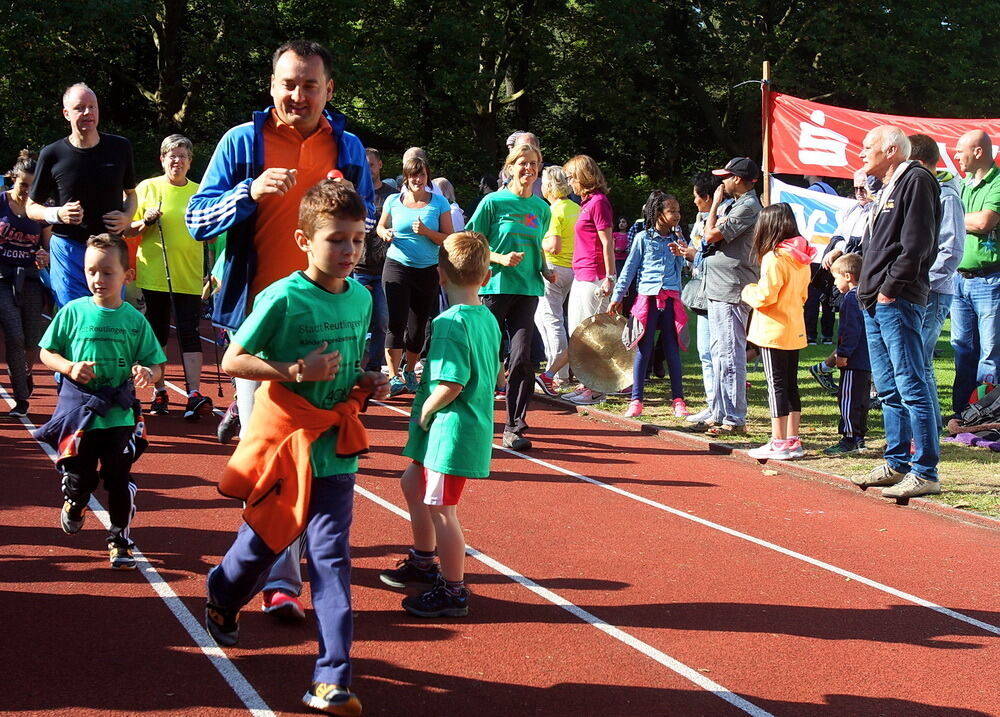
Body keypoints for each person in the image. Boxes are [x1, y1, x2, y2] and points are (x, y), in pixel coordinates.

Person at [186, 39, 375, 619]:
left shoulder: (347, 147)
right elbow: (197, 219)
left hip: (329, 324)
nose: (297, 95)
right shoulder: (242, 143)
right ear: (272, 85)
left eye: (309, 84)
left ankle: (274, 574)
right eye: (288, 83)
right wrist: (247, 192)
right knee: (273, 461)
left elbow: (364, 231)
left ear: (329, 90)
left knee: (319, 462)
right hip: (261, 327)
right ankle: (283, 581)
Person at [204, 181, 388, 716]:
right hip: (286, 447)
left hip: (334, 449)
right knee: (261, 549)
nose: (350, 251)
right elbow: (233, 361)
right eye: (337, 240)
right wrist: (292, 370)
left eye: (357, 240)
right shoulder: (282, 297)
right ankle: (221, 595)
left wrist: (370, 382)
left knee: (332, 559)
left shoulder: (361, 295)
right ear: (304, 240)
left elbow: (353, 366)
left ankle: (332, 679)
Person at [378, 231, 501, 618]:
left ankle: (453, 589)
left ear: (440, 275)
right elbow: (497, 372)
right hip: (452, 425)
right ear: (484, 277)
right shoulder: (488, 318)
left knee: (441, 507)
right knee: (412, 483)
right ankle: (423, 559)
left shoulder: (450, 322)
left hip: (450, 426)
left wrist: (426, 411)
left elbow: (452, 382)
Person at [35, 234, 166, 569]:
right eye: (91, 271)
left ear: (128, 275)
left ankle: (119, 539)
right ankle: (75, 502)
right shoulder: (72, 313)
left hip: (119, 415)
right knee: (82, 479)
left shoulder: (135, 321)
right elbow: (46, 352)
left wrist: (147, 374)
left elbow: (156, 364)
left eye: (107, 272)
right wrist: (69, 367)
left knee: (118, 478)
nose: (98, 279)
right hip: (80, 414)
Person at [850, 126, 942, 500]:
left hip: (896, 300)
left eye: (867, 147)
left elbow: (918, 243)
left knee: (910, 385)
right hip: (875, 300)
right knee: (888, 388)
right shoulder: (887, 188)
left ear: (891, 150)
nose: (861, 154)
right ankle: (896, 462)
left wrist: (889, 289)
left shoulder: (916, 179)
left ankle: (926, 472)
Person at [467, 143, 551, 450]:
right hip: (493, 288)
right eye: (522, 163)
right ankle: (473, 418)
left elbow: (537, 245)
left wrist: (545, 269)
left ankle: (515, 427)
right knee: (485, 356)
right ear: (510, 167)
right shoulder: (493, 202)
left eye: (533, 164)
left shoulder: (542, 208)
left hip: (527, 290)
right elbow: (471, 241)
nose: (528, 169)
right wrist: (500, 259)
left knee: (521, 357)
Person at [124, 134, 214, 420]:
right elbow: (126, 230)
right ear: (162, 159)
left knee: (190, 333)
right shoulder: (147, 188)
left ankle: (194, 393)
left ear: (190, 162)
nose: (177, 161)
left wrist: (213, 274)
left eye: (183, 156)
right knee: (157, 333)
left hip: (188, 276)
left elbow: (214, 236)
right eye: (171, 156)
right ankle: (159, 391)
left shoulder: (201, 192)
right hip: (154, 274)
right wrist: (145, 221)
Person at [26, 83, 136, 308]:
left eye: (92, 107)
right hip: (68, 249)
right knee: (73, 316)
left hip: (110, 248)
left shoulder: (120, 147)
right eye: (80, 108)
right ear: (66, 113)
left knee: (109, 315)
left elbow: (131, 195)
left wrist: (127, 217)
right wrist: (58, 213)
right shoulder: (52, 154)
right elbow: (31, 207)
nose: (88, 113)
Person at [740, 203, 814, 460]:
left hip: (773, 329)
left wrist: (747, 291)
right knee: (790, 384)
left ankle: (778, 441)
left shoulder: (775, 257)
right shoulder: (801, 257)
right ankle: (793, 439)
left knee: (776, 385)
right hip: (794, 326)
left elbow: (766, 295)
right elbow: (803, 294)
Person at [377, 154, 454, 395]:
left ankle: (410, 370)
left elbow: (448, 238)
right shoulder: (393, 200)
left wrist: (427, 232)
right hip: (397, 264)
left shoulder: (439, 203)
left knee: (418, 325)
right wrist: (384, 233)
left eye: (421, 175)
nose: (417, 179)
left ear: (427, 176)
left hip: (427, 269)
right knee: (396, 322)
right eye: (413, 175)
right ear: (406, 178)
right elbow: (380, 225)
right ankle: (393, 375)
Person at [610, 192, 689, 419]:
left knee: (672, 349)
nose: (677, 215)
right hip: (647, 298)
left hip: (671, 297)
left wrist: (681, 253)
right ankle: (636, 400)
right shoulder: (642, 238)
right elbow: (630, 269)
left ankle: (678, 400)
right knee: (644, 349)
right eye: (671, 211)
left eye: (678, 211)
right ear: (657, 213)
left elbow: (680, 269)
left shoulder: (677, 239)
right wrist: (618, 295)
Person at [698, 157, 762, 435]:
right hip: (719, 287)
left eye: (725, 177)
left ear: (737, 179)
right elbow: (705, 234)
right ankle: (721, 411)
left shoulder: (748, 207)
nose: (721, 182)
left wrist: (713, 204)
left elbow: (710, 234)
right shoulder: (735, 205)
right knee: (718, 352)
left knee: (730, 353)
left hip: (733, 288)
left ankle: (734, 418)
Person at [908, 133, 965, 430]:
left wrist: (925, 282)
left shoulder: (946, 194)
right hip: (918, 288)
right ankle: (926, 425)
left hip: (934, 290)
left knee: (921, 361)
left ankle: (929, 427)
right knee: (916, 361)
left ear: (916, 162)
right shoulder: (920, 190)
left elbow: (952, 247)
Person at [550, 154, 616, 406]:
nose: (569, 183)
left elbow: (607, 242)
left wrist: (609, 277)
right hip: (581, 274)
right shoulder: (587, 203)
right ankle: (588, 383)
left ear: (582, 176)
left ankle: (596, 388)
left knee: (592, 334)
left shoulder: (599, 202)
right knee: (578, 333)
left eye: (571, 177)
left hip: (595, 276)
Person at [950, 129, 1000, 414]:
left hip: (990, 280)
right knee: (962, 350)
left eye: (960, 150)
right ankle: (962, 413)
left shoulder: (998, 182)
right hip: (960, 280)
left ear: (978, 152)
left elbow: (984, 222)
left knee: (990, 354)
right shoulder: (964, 184)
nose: (957, 156)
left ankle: (985, 414)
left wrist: (953, 218)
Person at [0, 150, 51, 417]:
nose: (26, 192)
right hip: (1, 278)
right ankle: (21, 398)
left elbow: (49, 249)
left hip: (29, 279)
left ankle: (25, 374)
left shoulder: (39, 210)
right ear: (12, 179)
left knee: (32, 340)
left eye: (32, 187)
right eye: (22, 185)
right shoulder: (0, 202)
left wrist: (45, 256)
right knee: (15, 335)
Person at [676, 173, 724, 423]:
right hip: (703, 293)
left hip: (718, 293)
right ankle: (713, 405)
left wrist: (694, 255)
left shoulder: (720, 220)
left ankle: (722, 408)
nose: (694, 201)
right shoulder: (701, 219)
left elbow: (710, 255)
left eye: (696, 196)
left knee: (716, 353)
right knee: (705, 352)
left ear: (707, 197)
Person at [534, 166, 579, 393]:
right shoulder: (575, 208)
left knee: (551, 321)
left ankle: (557, 374)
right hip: (572, 268)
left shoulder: (554, 211)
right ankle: (558, 370)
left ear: (549, 186)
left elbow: (553, 244)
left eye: (542, 182)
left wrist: (532, 242)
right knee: (551, 319)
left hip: (553, 267)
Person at [823, 253, 872, 455]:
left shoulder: (851, 299)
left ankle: (849, 437)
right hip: (866, 359)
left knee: (848, 398)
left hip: (854, 359)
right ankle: (858, 437)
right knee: (861, 400)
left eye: (836, 278)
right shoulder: (865, 294)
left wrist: (842, 353)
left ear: (848, 276)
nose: (835, 284)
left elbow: (849, 329)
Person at [354, 148, 396, 372]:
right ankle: (353, 365)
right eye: (364, 165)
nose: (368, 169)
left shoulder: (392, 195)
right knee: (355, 320)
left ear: (380, 165)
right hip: (358, 267)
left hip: (385, 267)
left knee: (381, 320)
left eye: (371, 164)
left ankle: (373, 368)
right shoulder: (356, 193)